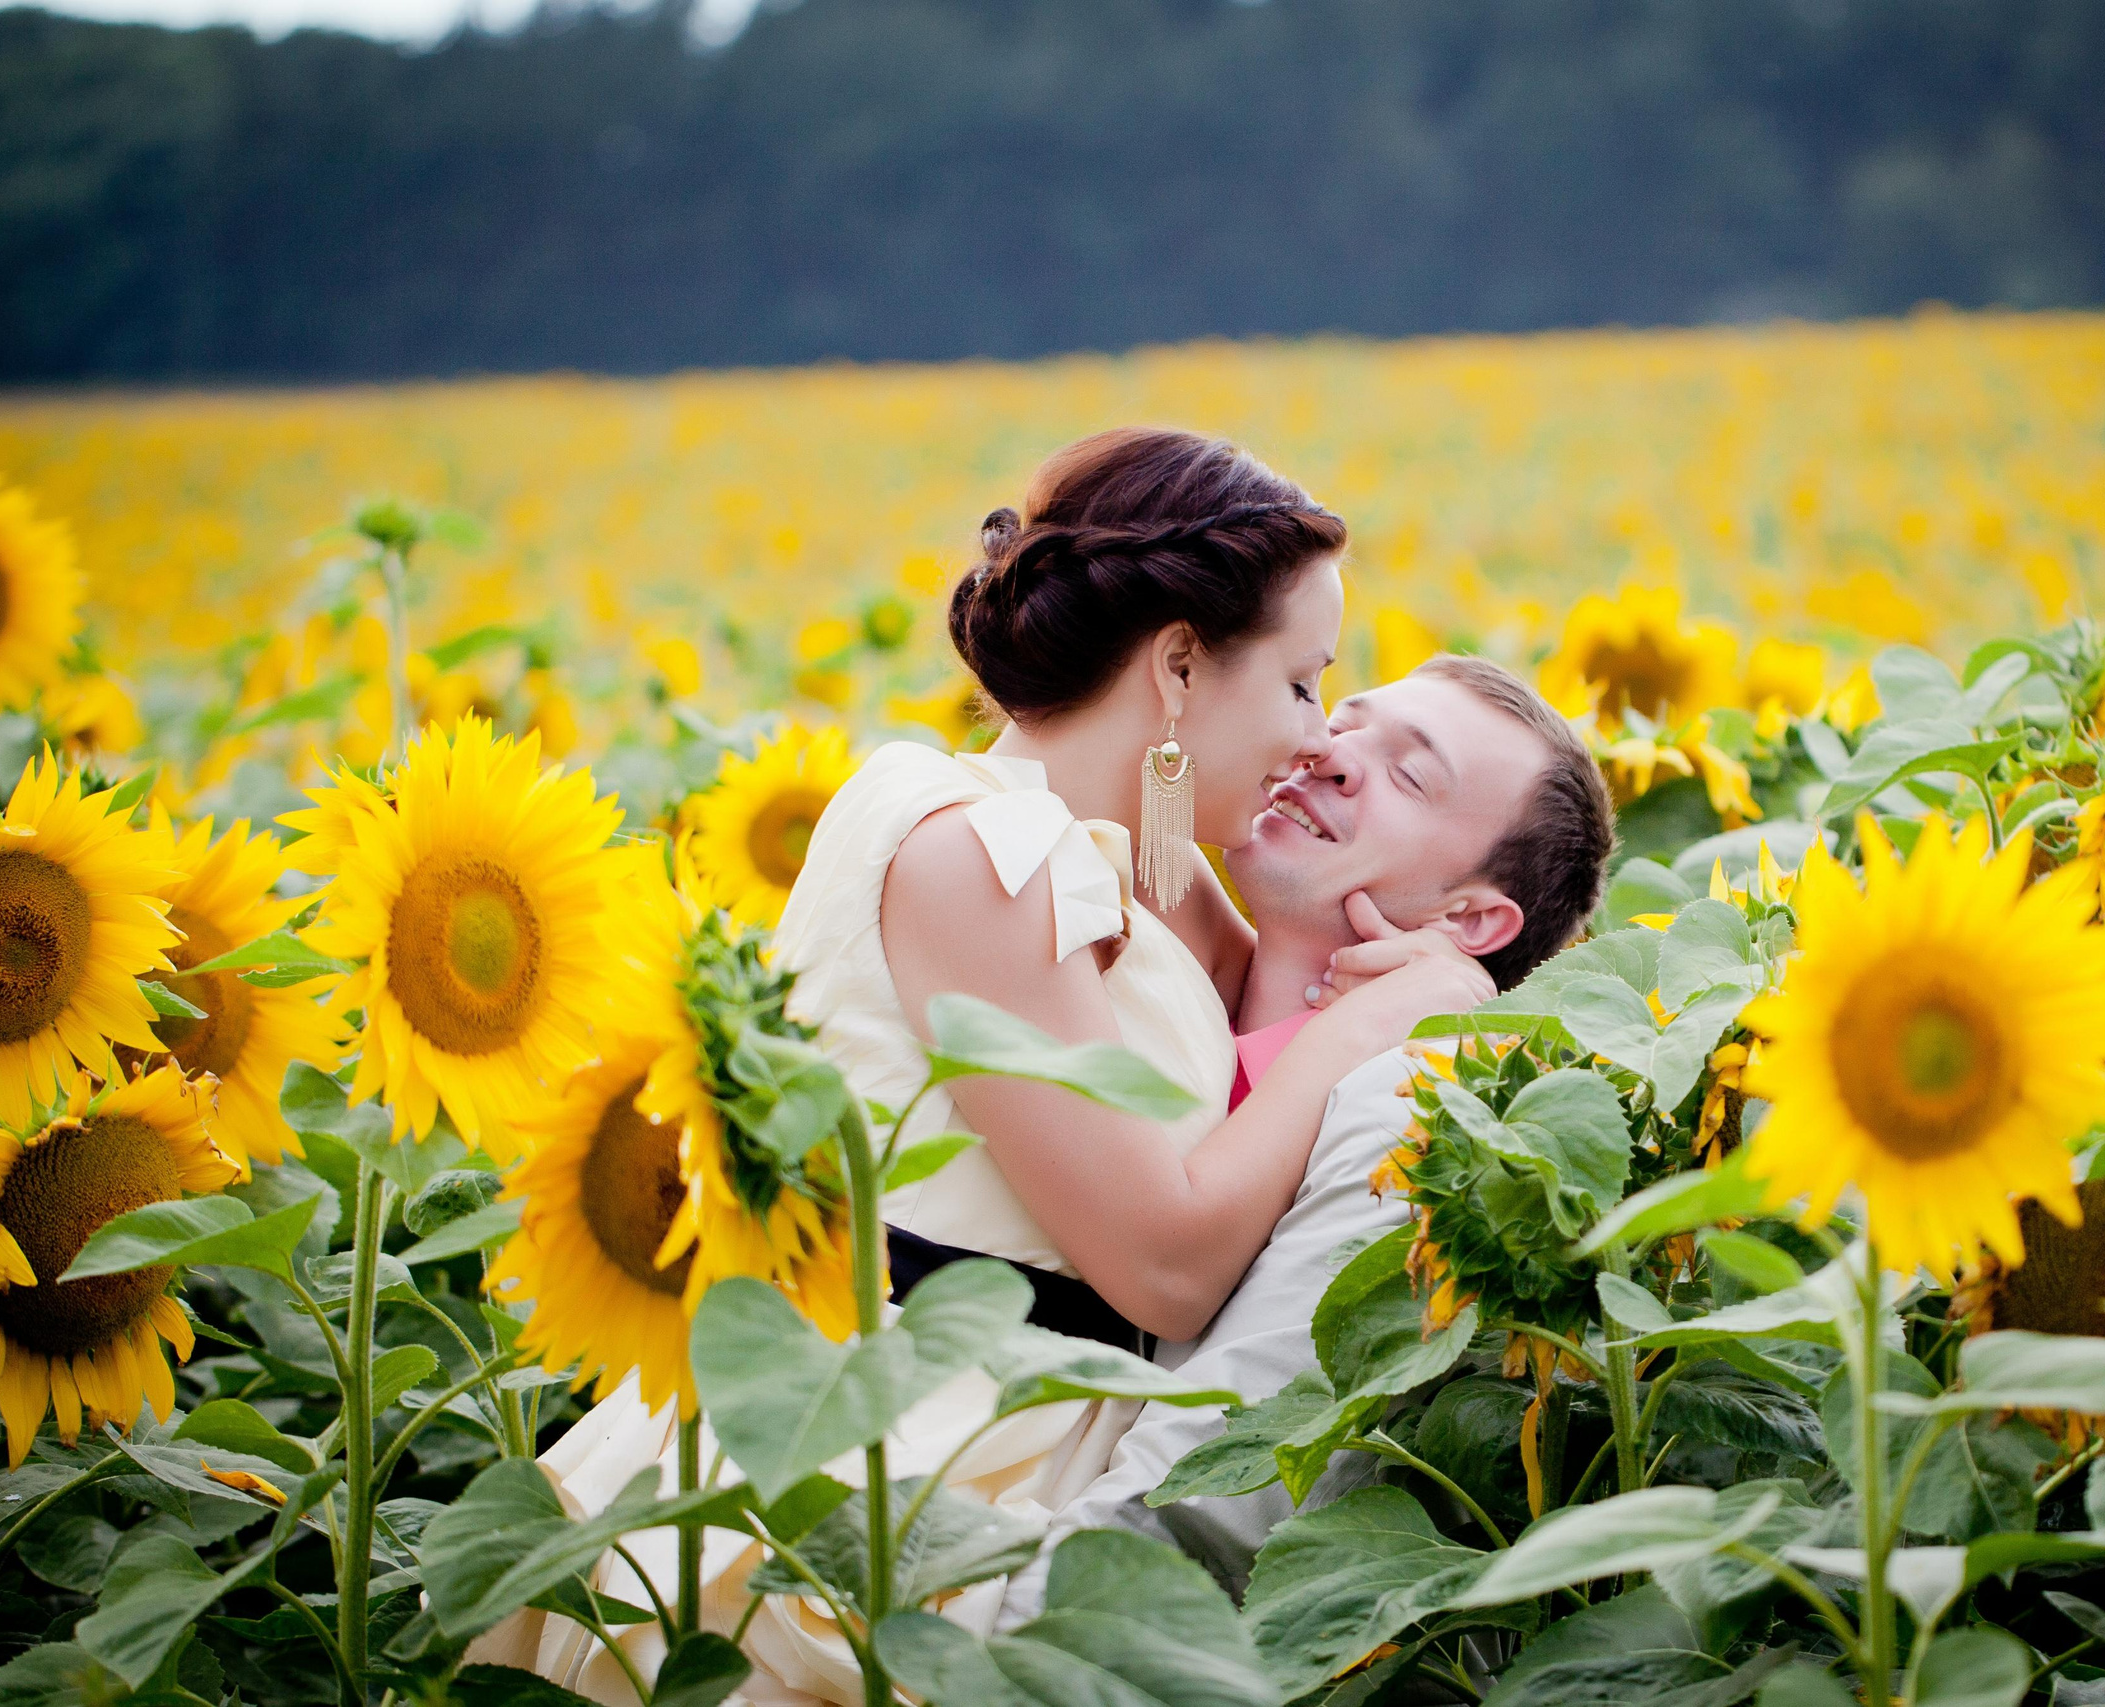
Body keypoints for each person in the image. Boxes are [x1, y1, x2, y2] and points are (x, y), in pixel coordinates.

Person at [471, 428, 1495, 1703]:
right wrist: (1370, 1025)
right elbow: (1168, 1266)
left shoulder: (1146, 854)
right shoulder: (966, 853)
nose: (1312, 735)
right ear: (1179, 664)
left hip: (1018, 1459)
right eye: (1300, 683)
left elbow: (1259, 1044)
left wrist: (1429, 953)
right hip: (892, 1468)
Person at [997, 654, 1616, 1621]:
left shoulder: (1407, 1125)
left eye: (1409, 773)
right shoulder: (1157, 954)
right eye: (1343, 716)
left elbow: (1216, 1496)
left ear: (1468, 918)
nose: (1329, 751)